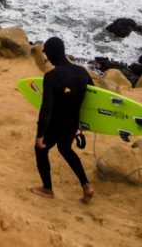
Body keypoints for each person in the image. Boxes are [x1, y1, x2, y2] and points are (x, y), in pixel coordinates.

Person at [30, 36, 94, 202]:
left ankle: (47, 189)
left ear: (52, 54)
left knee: (40, 149)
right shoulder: (82, 72)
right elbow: (93, 97)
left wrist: (40, 135)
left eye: (47, 55)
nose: (47, 58)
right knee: (65, 148)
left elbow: (46, 109)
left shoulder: (51, 77)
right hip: (73, 123)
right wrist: (85, 123)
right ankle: (86, 186)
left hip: (56, 123)